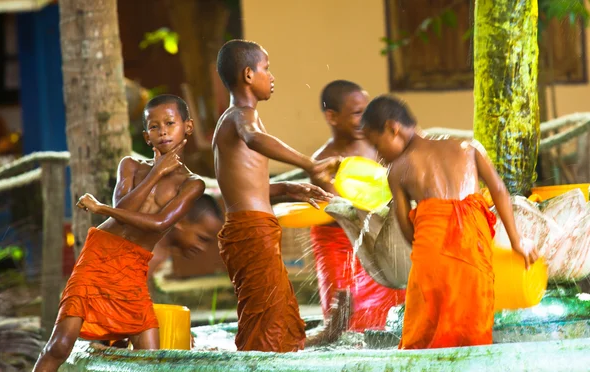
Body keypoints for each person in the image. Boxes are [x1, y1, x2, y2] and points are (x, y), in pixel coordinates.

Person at [25, 94, 205, 372]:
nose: (163, 131)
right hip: (100, 255)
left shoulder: (192, 183)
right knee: (59, 345)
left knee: (152, 361)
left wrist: (103, 211)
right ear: (146, 135)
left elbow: (160, 224)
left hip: (133, 265)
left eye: (170, 123)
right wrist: (157, 171)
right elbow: (124, 204)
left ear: (187, 127)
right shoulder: (131, 166)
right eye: (154, 126)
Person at [361, 94, 539, 349]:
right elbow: (499, 191)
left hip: (430, 255)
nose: (377, 156)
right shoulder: (468, 148)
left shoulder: (398, 170)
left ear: (393, 129)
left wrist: (431, 247)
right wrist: (516, 240)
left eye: (376, 146)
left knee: (424, 329)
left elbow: (405, 227)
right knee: (472, 325)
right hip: (472, 251)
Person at [213, 39, 342, 352]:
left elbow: (244, 186)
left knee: (269, 313)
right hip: (252, 230)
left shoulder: (231, 119)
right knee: (268, 322)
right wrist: (308, 163)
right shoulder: (243, 116)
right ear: (247, 75)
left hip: (250, 227)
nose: (271, 77)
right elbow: (255, 139)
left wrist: (288, 188)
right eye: (266, 69)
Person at [310, 80, 406, 332]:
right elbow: (340, 208)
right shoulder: (321, 161)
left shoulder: (376, 147)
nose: (365, 119)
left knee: (391, 312)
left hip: (374, 238)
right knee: (342, 315)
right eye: (356, 114)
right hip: (338, 241)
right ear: (332, 116)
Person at [149, 194, 224, 278]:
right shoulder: (152, 253)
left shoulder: (161, 252)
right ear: (180, 220)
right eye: (201, 238)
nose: (203, 248)